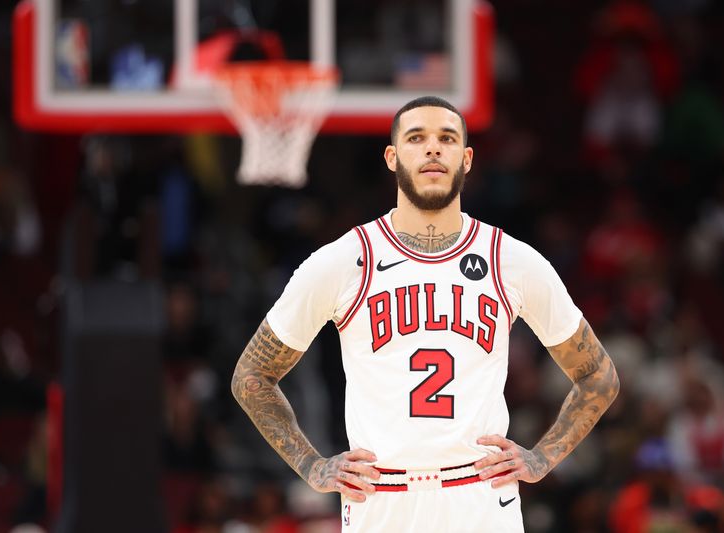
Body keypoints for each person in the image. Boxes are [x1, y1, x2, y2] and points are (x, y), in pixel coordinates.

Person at [231, 96, 620, 532]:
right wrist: (312, 465)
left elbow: (598, 375)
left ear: (467, 159)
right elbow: (252, 376)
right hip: (380, 500)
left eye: (447, 138)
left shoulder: (512, 260)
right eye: (417, 138)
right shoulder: (342, 261)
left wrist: (541, 458)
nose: (433, 149)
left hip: (480, 497)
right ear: (392, 157)